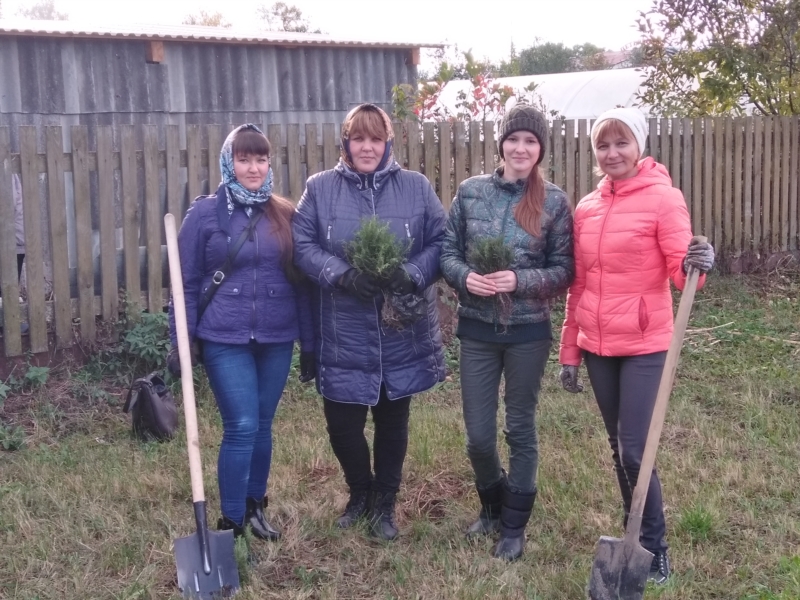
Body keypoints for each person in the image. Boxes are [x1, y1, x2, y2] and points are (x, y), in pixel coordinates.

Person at [558, 107, 715, 584]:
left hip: (645, 343)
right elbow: (579, 284)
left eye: (621, 143)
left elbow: (681, 273)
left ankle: (654, 545)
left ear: (639, 146)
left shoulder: (664, 199)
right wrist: (570, 351)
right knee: (617, 447)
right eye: (603, 145)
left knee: (634, 449)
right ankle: (635, 539)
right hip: (598, 345)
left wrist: (698, 263)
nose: (612, 153)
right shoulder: (586, 208)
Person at [292, 103, 446, 541]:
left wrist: (411, 273)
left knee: (392, 421)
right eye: (358, 138)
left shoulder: (416, 188)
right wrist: (341, 274)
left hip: (399, 330)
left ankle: (385, 504)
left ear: (387, 143)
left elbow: (441, 240)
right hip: (343, 329)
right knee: (342, 424)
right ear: (345, 143)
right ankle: (359, 492)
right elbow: (301, 244)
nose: (367, 147)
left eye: (375, 139)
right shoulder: (319, 189)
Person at [440, 103, 575, 561]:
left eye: (530, 141)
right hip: (477, 329)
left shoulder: (553, 201)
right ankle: (492, 507)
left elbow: (564, 270)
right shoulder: (471, 191)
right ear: (500, 144)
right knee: (478, 435)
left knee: (519, 428)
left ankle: (514, 526)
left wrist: (521, 281)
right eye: (513, 139)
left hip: (526, 332)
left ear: (540, 149)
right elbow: (447, 250)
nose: (521, 148)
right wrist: (463, 277)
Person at [167, 124, 316, 541]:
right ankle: (230, 521)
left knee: (264, 424)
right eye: (244, 159)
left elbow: (301, 282)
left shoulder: (285, 214)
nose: (253, 167)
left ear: (270, 163)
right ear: (228, 162)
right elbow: (185, 281)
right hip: (224, 336)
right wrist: (180, 339)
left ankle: (255, 508)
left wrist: (310, 344)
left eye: (261, 159)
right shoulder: (205, 214)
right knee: (243, 424)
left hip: (276, 336)